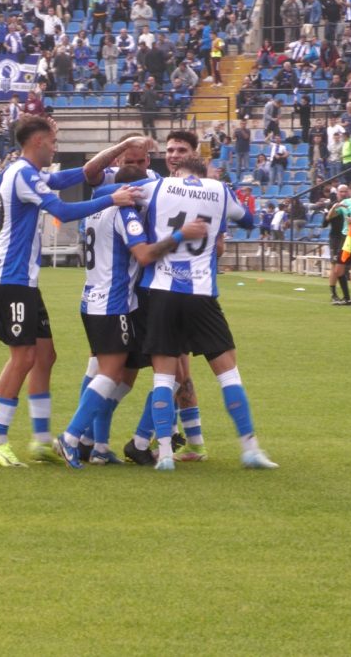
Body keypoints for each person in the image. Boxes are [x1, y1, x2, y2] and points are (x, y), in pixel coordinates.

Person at [99, 154, 277, 471]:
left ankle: (165, 453)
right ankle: (250, 449)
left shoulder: (159, 186)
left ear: (180, 172)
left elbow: (109, 194)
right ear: (203, 172)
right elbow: (249, 219)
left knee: (164, 378)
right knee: (228, 374)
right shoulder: (219, 190)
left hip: (163, 291)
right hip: (200, 293)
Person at [0, 116, 141, 467]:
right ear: (38, 142)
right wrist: (112, 199)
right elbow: (63, 211)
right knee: (22, 358)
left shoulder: (27, 172)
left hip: (23, 281)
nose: (56, 147)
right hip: (10, 280)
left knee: (45, 356)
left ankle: (40, 440)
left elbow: (80, 175)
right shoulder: (23, 174)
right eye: (53, 141)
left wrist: (121, 146)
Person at [52, 163, 209, 469]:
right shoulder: (125, 212)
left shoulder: (97, 210)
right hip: (113, 304)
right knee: (111, 373)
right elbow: (144, 254)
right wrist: (181, 235)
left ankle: (98, 446)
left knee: (121, 375)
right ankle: (71, 437)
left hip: (93, 300)